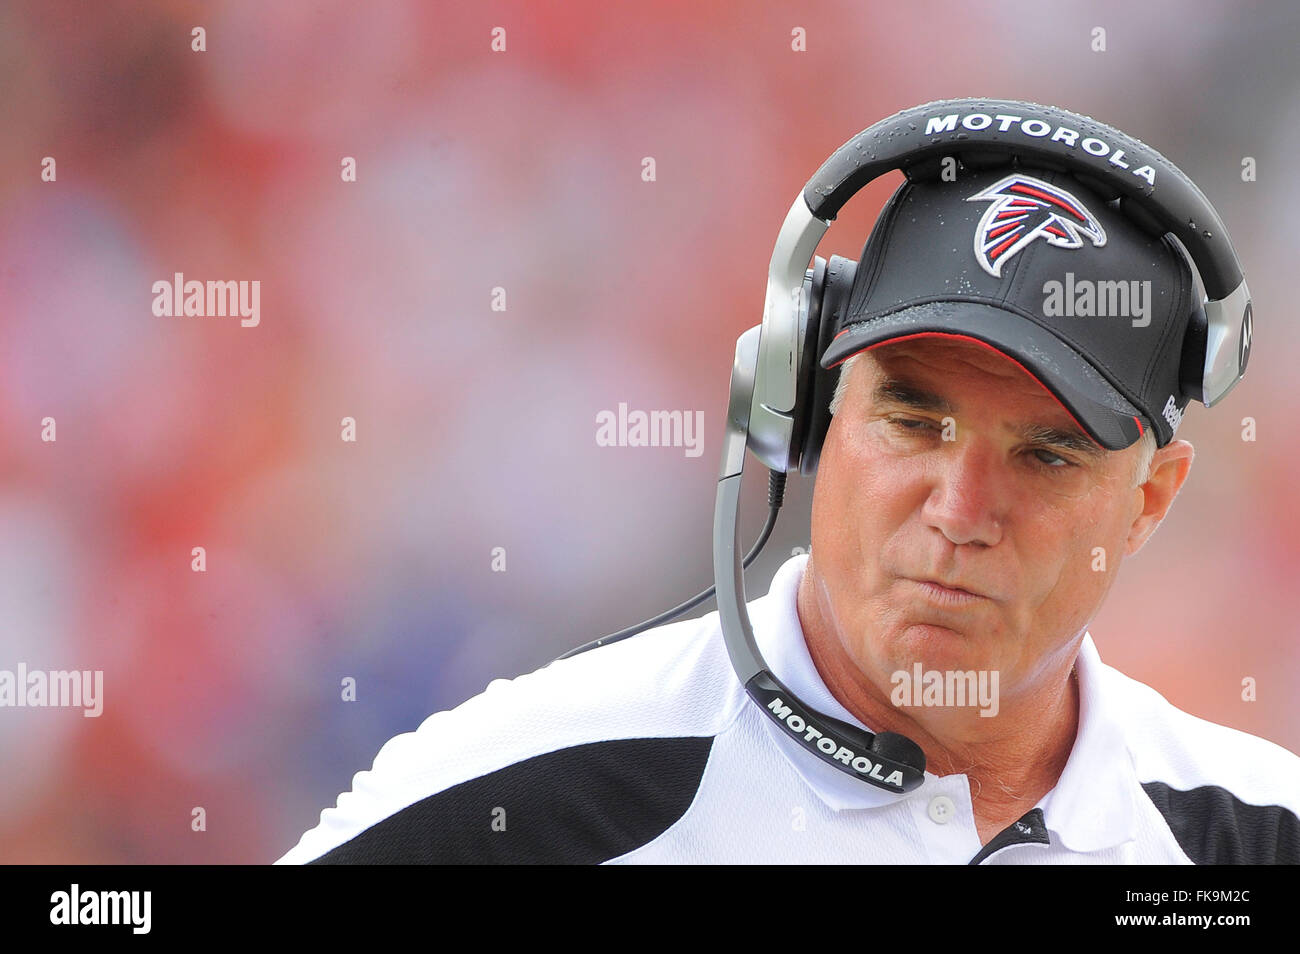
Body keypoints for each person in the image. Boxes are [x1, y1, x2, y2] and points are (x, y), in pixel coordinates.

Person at [276, 159, 1299, 866]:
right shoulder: (536, 791)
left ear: (1147, 501)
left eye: (1044, 452)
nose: (958, 509)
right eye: (913, 418)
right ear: (804, 409)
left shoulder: (1261, 830)